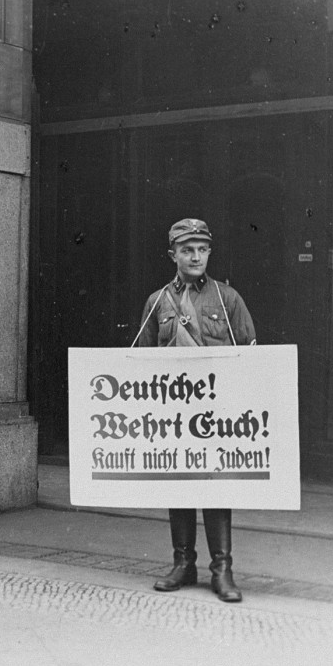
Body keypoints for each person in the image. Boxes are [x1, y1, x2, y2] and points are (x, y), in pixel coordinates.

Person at [135, 218, 256, 602]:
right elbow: (140, 360)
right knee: (180, 483)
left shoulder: (227, 299)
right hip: (174, 413)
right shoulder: (156, 302)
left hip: (218, 412)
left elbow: (251, 354)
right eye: (187, 249)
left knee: (217, 485)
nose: (195, 256)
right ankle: (183, 564)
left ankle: (222, 570)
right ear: (173, 254)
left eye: (202, 249)